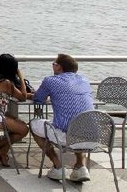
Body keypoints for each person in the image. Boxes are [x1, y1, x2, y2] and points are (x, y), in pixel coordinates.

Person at [31, 53, 94, 183]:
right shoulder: (84, 80)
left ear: (59, 68)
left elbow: (38, 99)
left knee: (33, 124)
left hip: (67, 136)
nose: (52, 66)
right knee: (79, 123)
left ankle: (58, 166)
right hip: (92, 137)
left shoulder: (50, 81)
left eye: (54, 64)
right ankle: (80, 166)